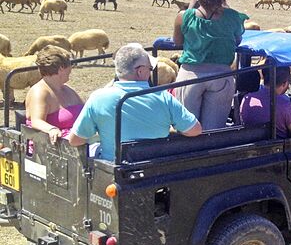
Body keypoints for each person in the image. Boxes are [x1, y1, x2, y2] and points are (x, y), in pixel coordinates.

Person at [68, 44, 202, 160]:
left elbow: (75, 140)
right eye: (150, 69)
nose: (150, 72)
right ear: (140, 71)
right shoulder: (163, 97)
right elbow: (195, 130)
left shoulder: (98, 97)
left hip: (115, 170)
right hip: (154, 167)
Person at [173, 0, 248, 130]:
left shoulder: (184, 17)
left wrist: (191, 7)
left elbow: (177, 42)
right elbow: (236, 41)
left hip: (190, 76)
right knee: (213, 131)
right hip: (221, 76)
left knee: (187, 130)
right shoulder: (232, 17)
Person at [24, 45, 84, 144]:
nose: (71, 69)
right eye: (70, 64)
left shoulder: (68, 90)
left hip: (78, 143)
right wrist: (51, 129)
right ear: (61, 68)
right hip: (52, 148)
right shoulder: (40, 92)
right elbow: (37, 121)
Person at [239, 66, 291, 138]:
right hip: (279, 146)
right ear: (284, 83)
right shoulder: (285, 105)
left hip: (252, 142)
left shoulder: (247, 99)